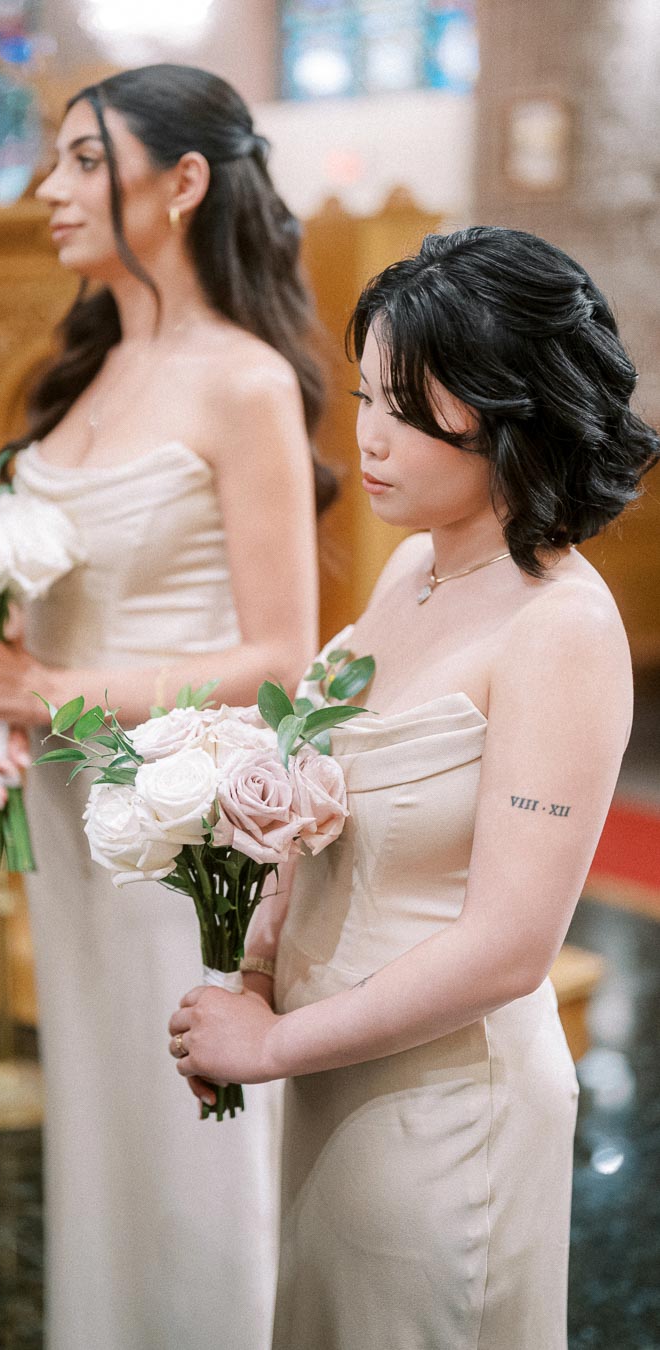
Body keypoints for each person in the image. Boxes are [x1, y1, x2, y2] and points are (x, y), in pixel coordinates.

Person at [168, 227, 659, 1349]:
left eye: (407, 406)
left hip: (446, 1102)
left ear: (510, 409)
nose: (368, 440)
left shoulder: (561, 629)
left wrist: (273, 1045)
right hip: (338, 1063)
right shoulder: (415, 565)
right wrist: (250, 980)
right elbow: (318, 795)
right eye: (365, 398)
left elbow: (508, 949)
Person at [0, 65, 327, 1350]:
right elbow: (34, 612)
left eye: (79, 161)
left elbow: (284, 655)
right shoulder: (80, 379)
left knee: (191, 1130)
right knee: (102, 1115)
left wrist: (54, 692)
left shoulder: (246, 383)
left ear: (181, 183)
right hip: (67, 808)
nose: (46, 191)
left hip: (184, 820)